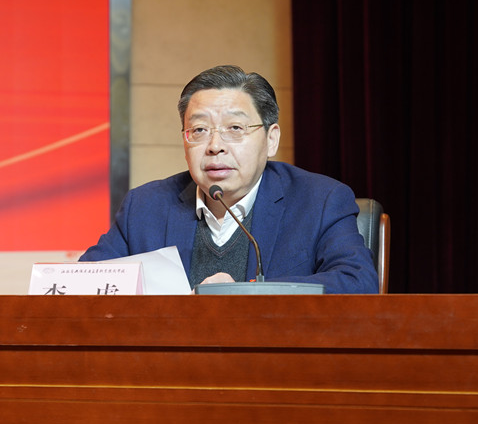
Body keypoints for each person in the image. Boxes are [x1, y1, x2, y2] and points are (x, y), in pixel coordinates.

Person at [80, 65, 379, 294]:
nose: (214, 146)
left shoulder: (319, 200)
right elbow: (80, 285)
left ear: (271, 139)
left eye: (235, 128)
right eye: (199, 130)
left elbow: (358, 282)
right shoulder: (145, 206)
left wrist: (244, 293)